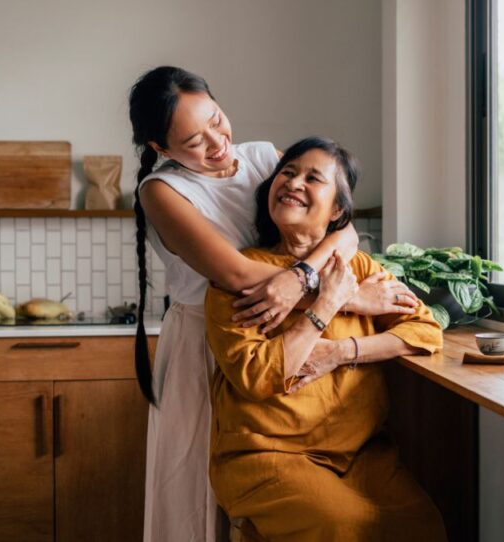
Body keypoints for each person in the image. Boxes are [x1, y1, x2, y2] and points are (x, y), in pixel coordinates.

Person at [128, 67, 420, 541]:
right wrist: (344, 295)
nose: (217, 143)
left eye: (216, 120)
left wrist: (307, 279)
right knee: (201, 498)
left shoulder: (265, 156)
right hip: (211, 345)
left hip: (292, 332)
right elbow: (236, 275)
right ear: (161, 149)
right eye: (193, 141)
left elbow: (342, 227)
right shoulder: (161, 191)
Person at [205, 137, 449, 541]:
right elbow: (255, 377)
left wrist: (341, 352)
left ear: (337, 209)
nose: (293, 182)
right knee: (342, 527)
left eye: (313, 177)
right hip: (265, 455)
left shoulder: (358, 266)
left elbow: (425, 330)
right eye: (287, 172)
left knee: (423, 525)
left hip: (360, 455)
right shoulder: (240, 275)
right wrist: (329, 302)